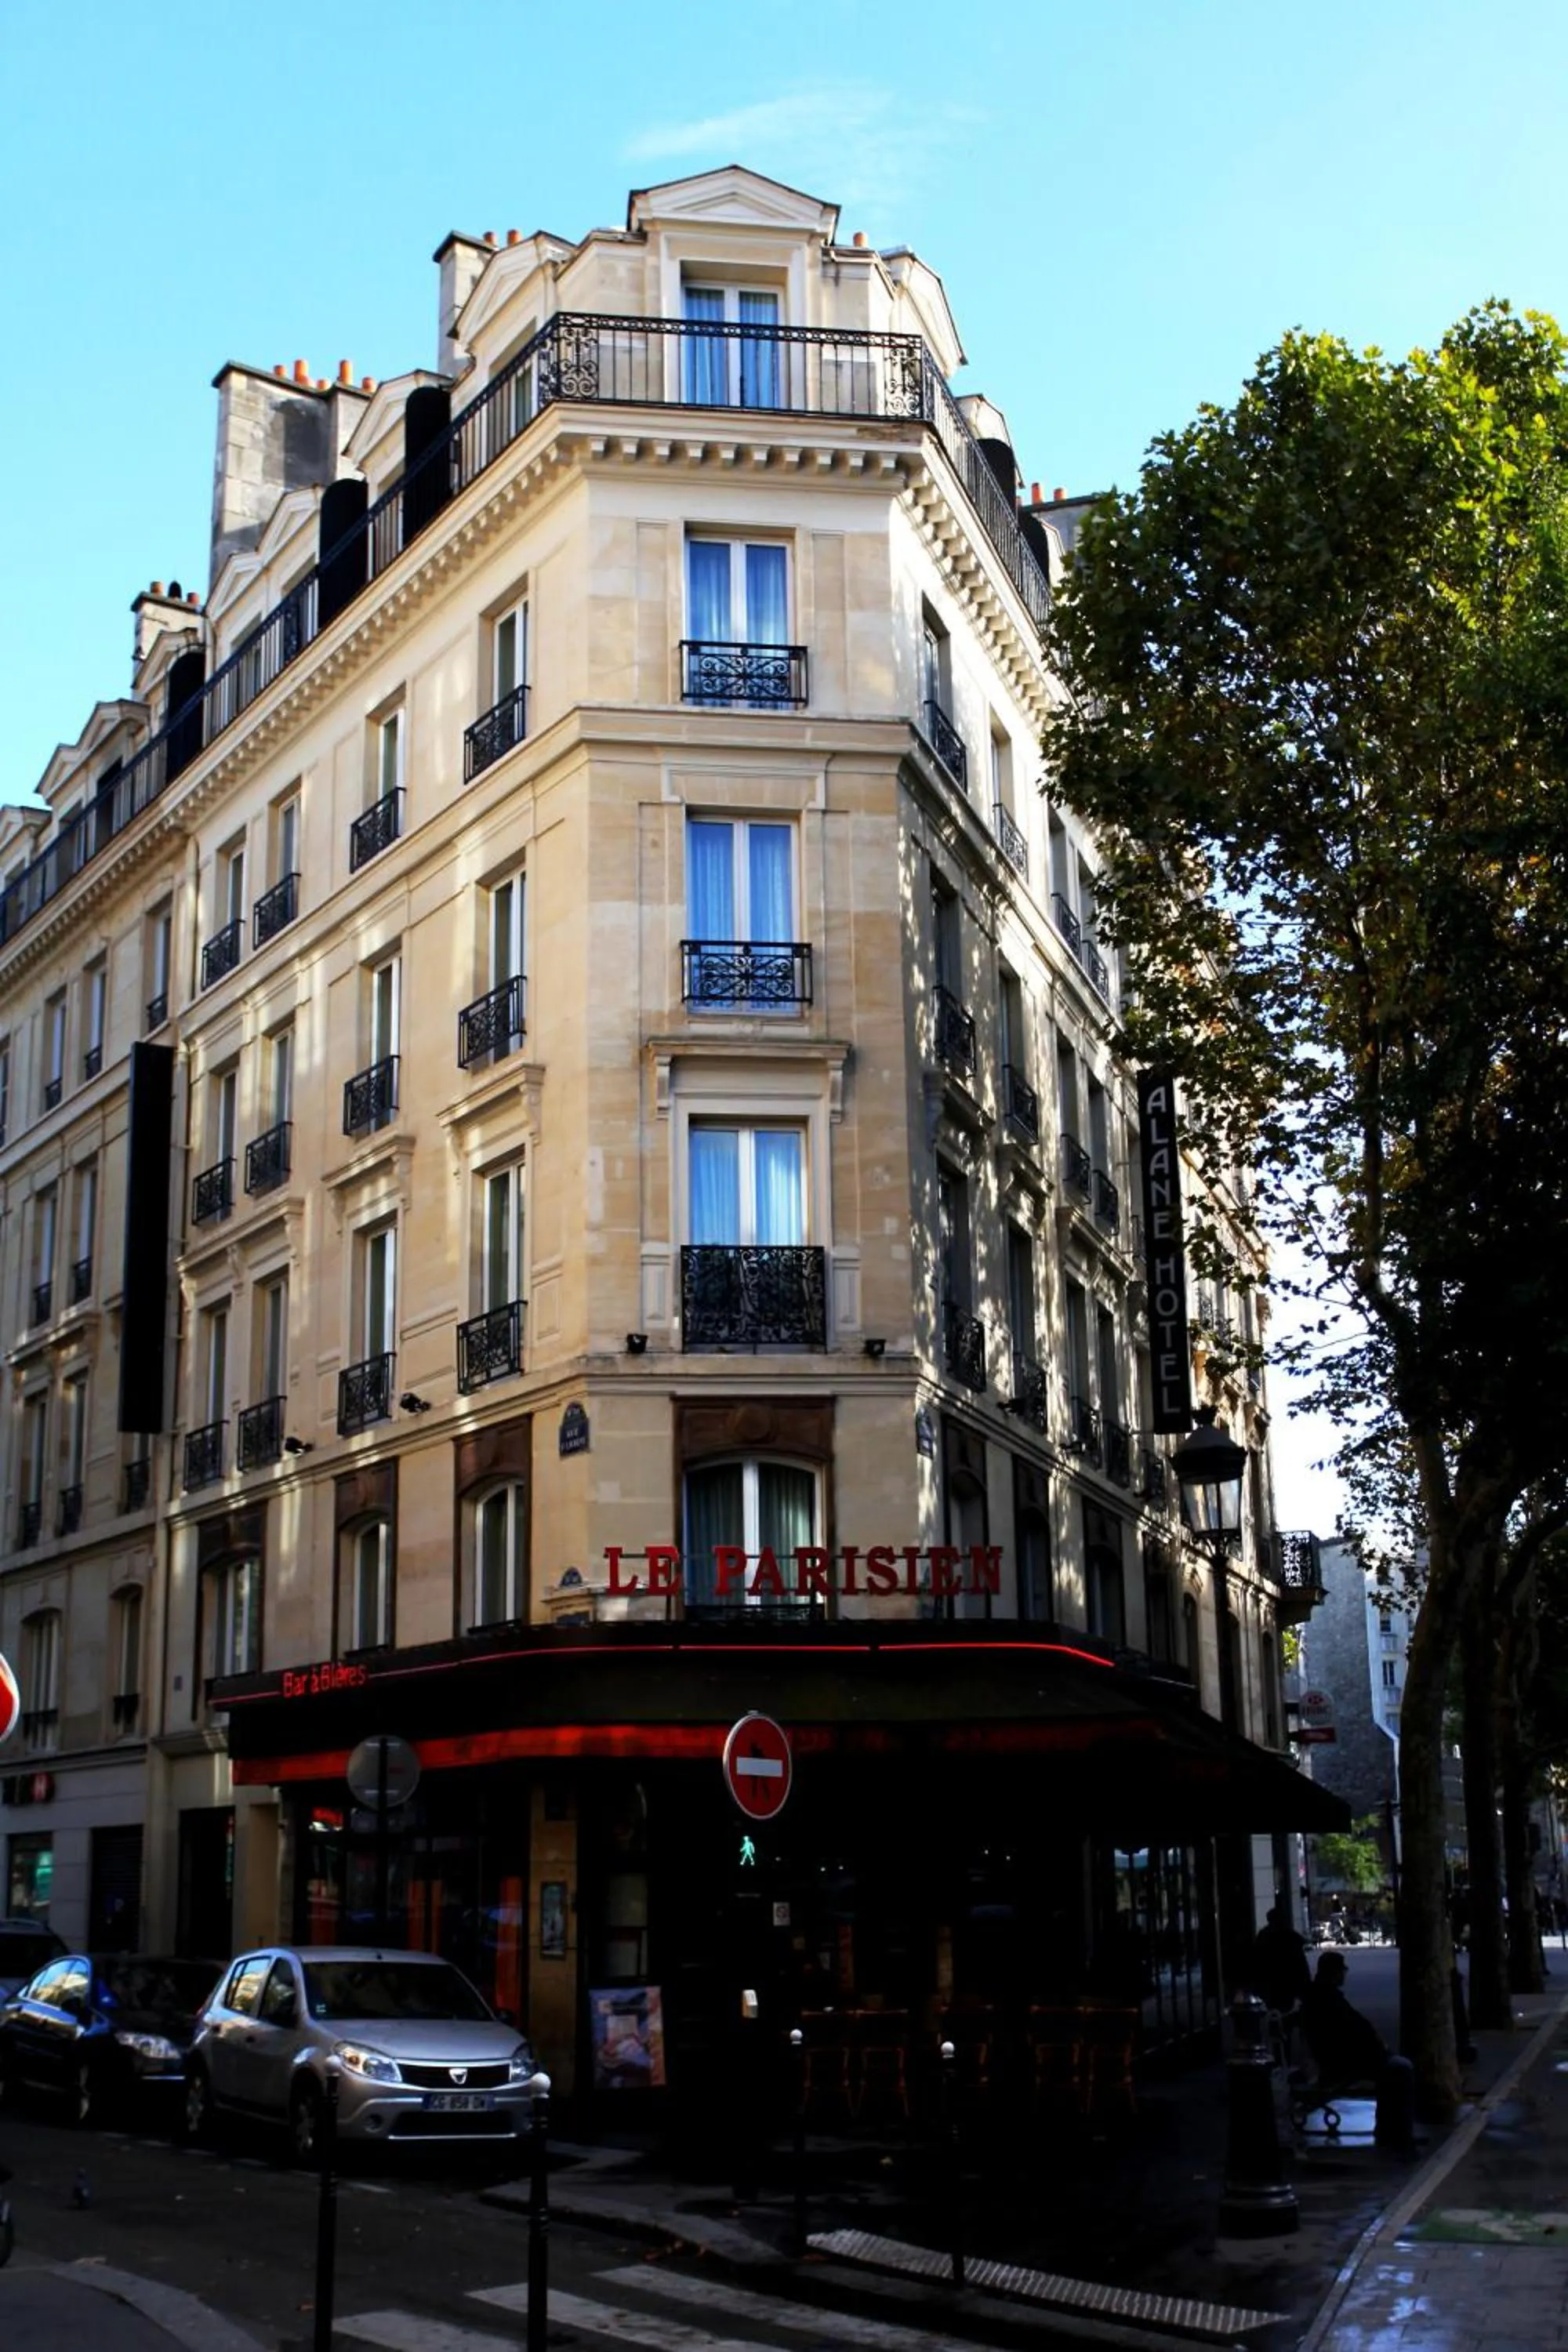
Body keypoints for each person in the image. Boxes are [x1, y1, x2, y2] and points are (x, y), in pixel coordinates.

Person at [1300, 1950, 1415, 2150]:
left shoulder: (1321, 1997)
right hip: (1343, 2062)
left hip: (1341, 2059)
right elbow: (1353, 2033)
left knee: (1396, 2068)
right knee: (1400, 2069)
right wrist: (1380, 2051)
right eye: (1342, 1971)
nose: (1344, 1975)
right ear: (1334, 1973)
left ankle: (1390, 2129)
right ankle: (1395, 2132)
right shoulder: (1329, 2000)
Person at [1247, 1903, 1312, 2018]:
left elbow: (1256, 1963)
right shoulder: (1289, 1936)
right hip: (1286, 1985)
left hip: (1270, 1985)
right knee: (1287, 2015)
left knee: (1274, 2013)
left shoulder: (1264, 1936)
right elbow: (1301, 1965)